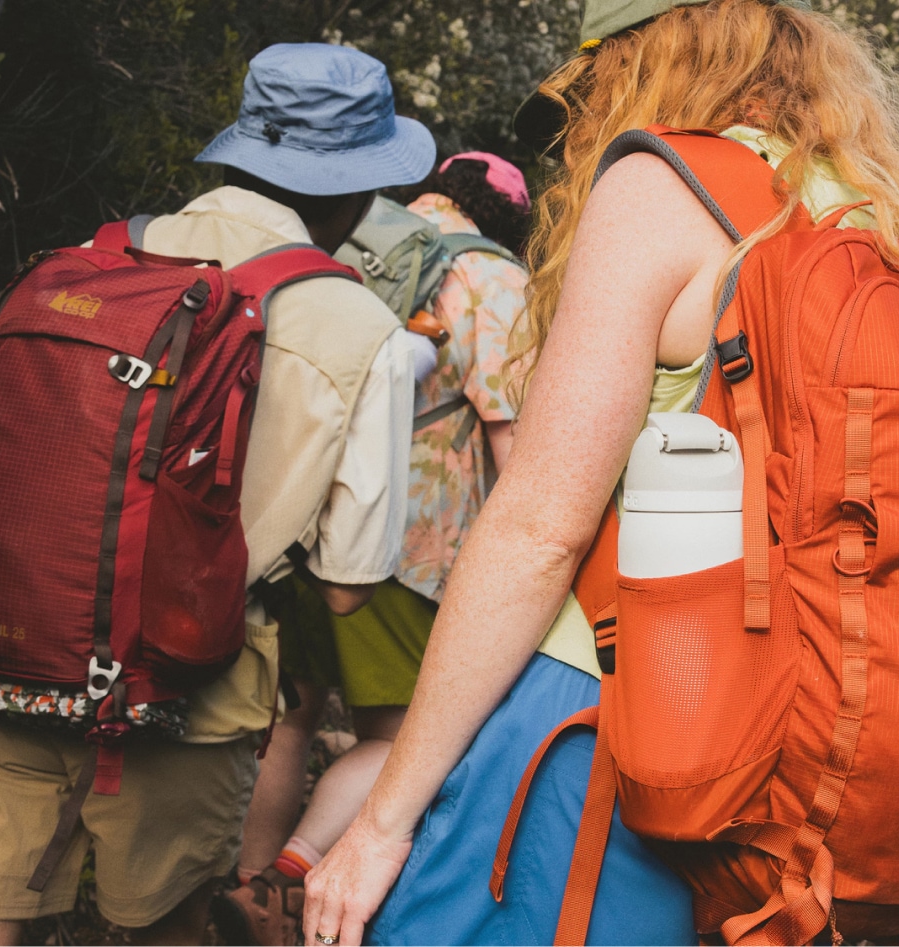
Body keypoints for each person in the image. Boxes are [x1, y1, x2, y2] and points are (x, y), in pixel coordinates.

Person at [301, 0, 899, 944]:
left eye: (590, 88)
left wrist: (379, 823)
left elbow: (541, 527)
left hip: (623, 710)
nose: (585, 123)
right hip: (834, 724)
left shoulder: (668, 187)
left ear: (635, 60)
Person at [0, 42, 432, 946]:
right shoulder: (365, 332)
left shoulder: (72, 266)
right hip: (189, 693)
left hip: (5, 658)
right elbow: (350, 581)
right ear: (355, 191)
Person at [220, 151, 531, 946]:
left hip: (300, 530)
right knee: (401, 741)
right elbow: (510, 435)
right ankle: (300, 872)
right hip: (408, 552)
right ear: (504, 217)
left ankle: (247, 889)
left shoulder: (335, 248)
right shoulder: (489, 275)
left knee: (290, 719)